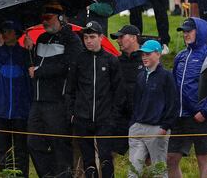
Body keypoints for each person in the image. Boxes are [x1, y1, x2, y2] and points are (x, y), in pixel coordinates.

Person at [27, 2, 83, 178]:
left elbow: (69, 67)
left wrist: (39, 72)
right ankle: (48, 175)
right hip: (38, 101)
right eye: (43, 19)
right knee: (33, 142)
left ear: (60, 18)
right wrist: (31, 49)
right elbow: (34, 66)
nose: (44, 22)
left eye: (48, 18)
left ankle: (64, 175)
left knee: (59, 144)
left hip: (58, 101)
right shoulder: (42, 38)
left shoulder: (73, 39)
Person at [168, 18, 207, 178]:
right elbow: (174, 86)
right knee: (171, 159)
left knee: (203, 161)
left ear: (199, 32)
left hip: (200, 117)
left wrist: (205, 112)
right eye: (184, 31)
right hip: (180, 117)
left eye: (189, 31)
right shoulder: (180, 56)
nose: (186, 34)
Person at [66, 21, 124, 178]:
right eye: (85, 37)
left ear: (101, 37)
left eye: (92, 37)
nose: (88, 41)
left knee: (106, 158)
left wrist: (113, 116)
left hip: (104, 119)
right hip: (82, 118)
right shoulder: (79, 60)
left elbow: (118, 92)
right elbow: (70, 89)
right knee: (88, 160)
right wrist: (72, 113)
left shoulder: (111, 60)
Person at [0, 20, 30, 178]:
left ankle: (22, 175)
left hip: (21, 110)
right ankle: (6, 174)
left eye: (9, 30)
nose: (5, 33)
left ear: (17, 33)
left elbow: (30, 84)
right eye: (3, 30)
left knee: (21, 147)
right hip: (1, 109)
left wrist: (31, 48)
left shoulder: (26, 54)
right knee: (3, 147)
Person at [128, 39, 179, 178]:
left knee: (159, 170)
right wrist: (133, 124)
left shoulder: (166, 76)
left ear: (158, 54)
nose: (144, 57)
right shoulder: (140, 75)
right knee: (133, 171)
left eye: (148, 54)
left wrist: (165, 126)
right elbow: (136, 102)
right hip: (138, 127)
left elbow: (173, 103)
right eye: (143, 54)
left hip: (157, 129)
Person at [110, 25, 143, 157]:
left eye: (121, 37)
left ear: (134, 38)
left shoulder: (146, 59)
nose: (118, 40)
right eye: (117, 38)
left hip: (142, 117)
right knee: (108, 154)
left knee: (147, 160)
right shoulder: (115, 62)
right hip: (120, 117)